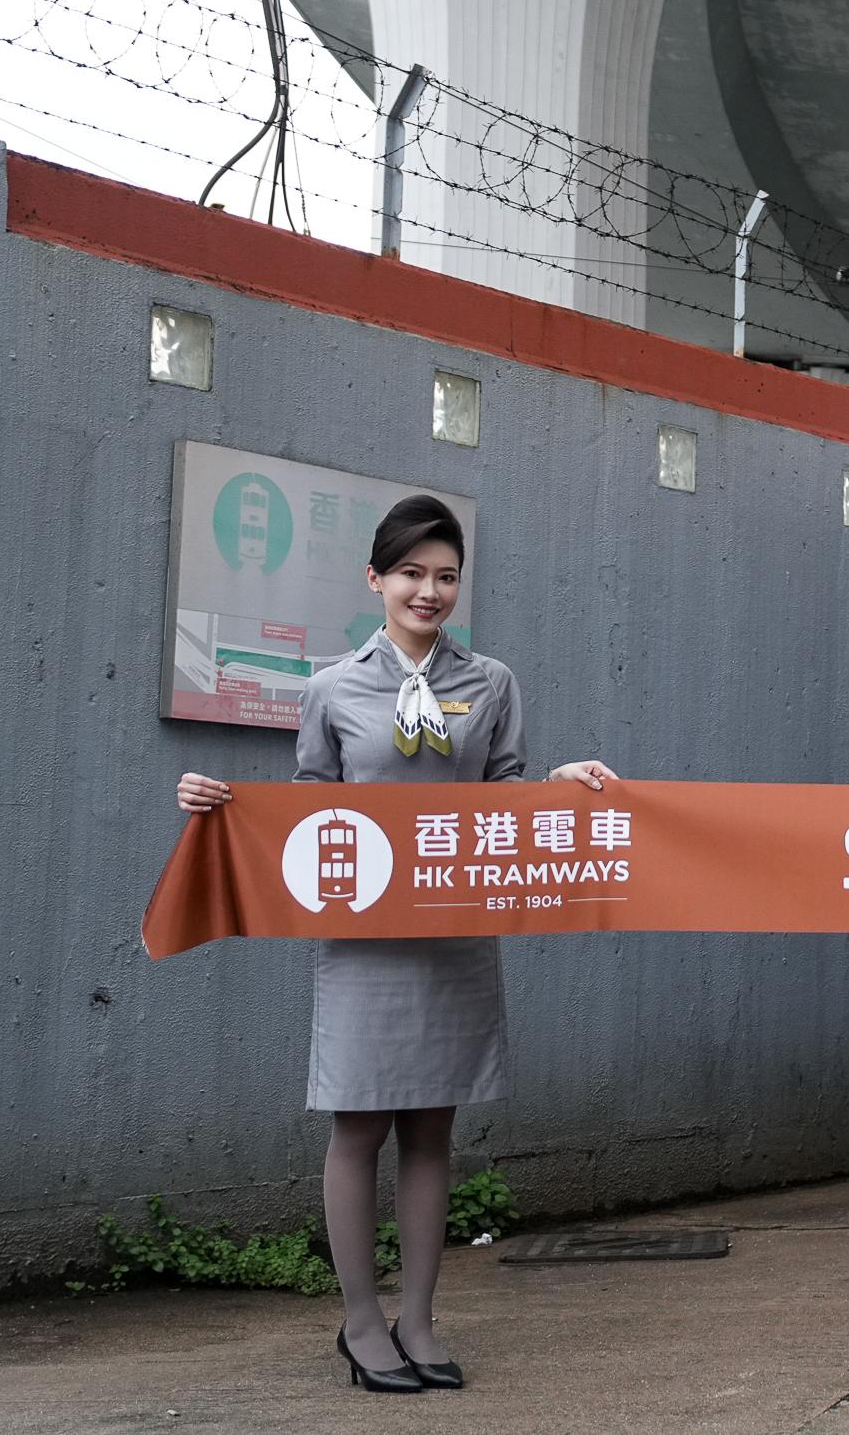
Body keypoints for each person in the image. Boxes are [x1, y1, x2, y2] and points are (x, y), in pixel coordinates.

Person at [173, 495, 617, 1393]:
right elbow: (307, 806)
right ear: (376, 579)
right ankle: (361, 1323)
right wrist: (220, 807)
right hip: (367, 937)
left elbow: (506, 795)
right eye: (412, 573)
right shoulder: (334, 685)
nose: (430, 591)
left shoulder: (490, 681)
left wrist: (561, 784)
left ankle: (418, 1319)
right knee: (359, 1123)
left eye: (446, 576)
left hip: (454, 932)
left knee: (431, 1128)